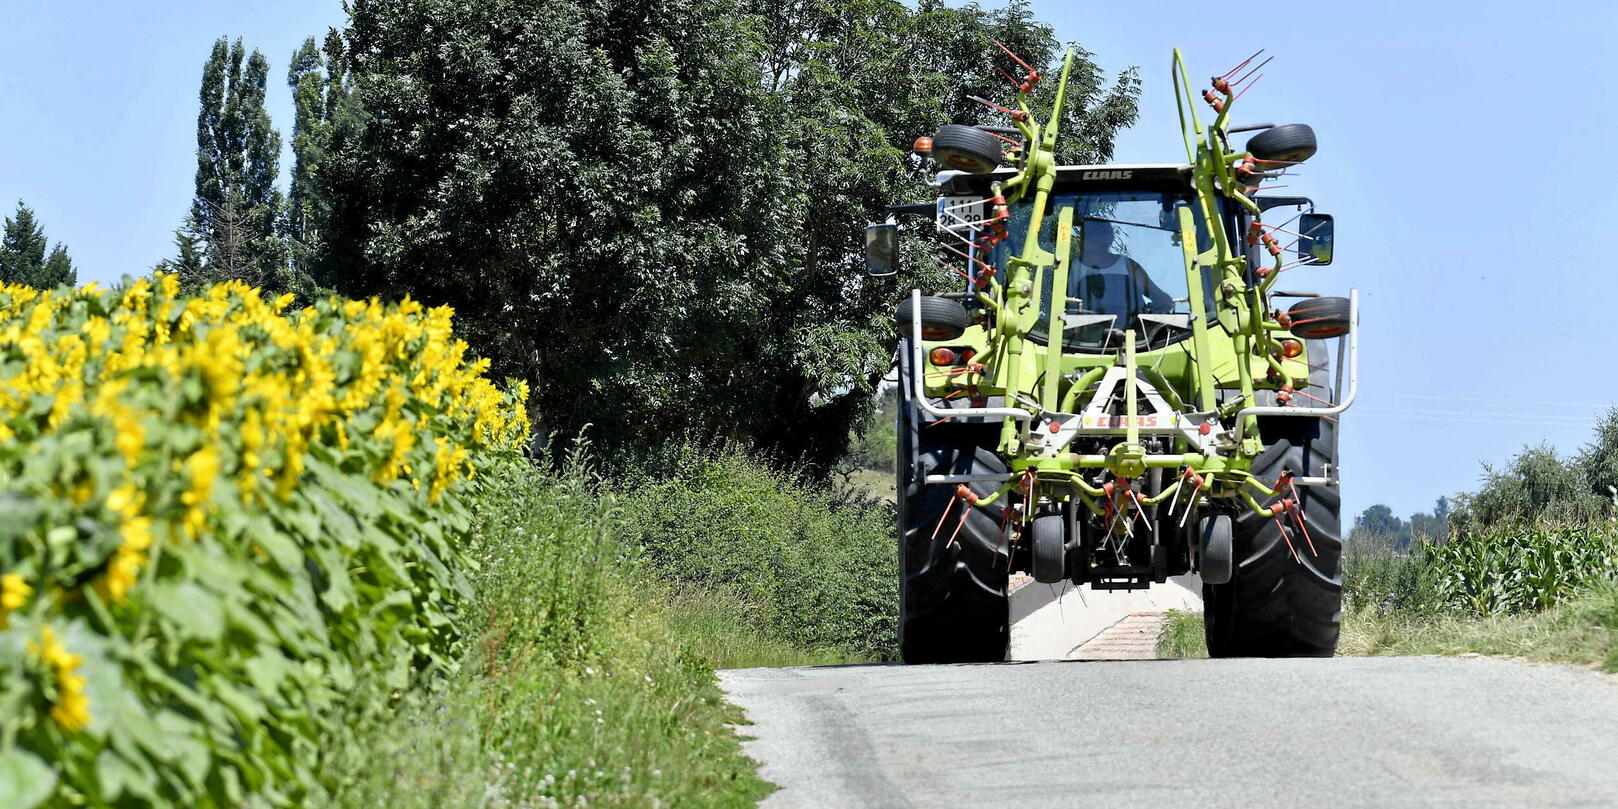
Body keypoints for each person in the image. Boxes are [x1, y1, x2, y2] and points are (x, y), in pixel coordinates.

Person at [1072, 218, 1173, 327]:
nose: (1092, 242)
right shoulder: (1070, 268)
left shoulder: (1128, 266)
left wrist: (1144, 326)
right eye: (1089, 237)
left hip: (1133, 340)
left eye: (1096, 238)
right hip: (1080, 340)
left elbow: (1164, 301)